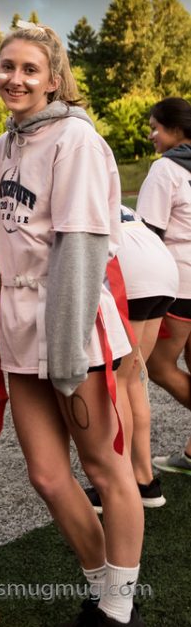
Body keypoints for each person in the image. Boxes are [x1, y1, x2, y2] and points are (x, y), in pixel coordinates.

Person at [0, 22, 144, 627]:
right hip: (20, 324)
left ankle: (117, 605)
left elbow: (81, 244)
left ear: (54, 79)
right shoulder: (5, 142)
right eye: (7, 66)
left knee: (105, 467)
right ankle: (102, 580)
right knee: (48, 476)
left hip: (70, 324)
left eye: (30, 69)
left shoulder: (75, 140)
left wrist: (67, 348)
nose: (16, 78)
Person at [84, 205, 178, 512]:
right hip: (162, 263)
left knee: (121, 381)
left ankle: (121, 479)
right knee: (133, 379)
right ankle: (144, 480)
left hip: (130, 266)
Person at [136, 97, 191, 476]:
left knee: (157, 366)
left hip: (179, 283)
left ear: (176, 129)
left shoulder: (166, 170)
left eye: (156, 127)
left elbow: (147, 234)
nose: (152, 135)